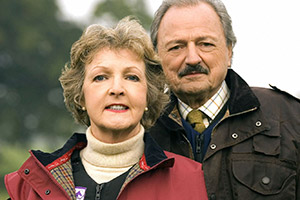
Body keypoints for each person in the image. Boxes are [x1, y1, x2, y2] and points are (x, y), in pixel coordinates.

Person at [4, 17, 208, 200]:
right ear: (80, 96)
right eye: (100, 77)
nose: (117, 89)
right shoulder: (28, 185)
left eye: (131, 77)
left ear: (149, 95)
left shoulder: (192, 181)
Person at [148, 0, 300, 199]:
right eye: (176, 47)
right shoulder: (141, 130)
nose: (192, 58)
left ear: (229, 51)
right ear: (157, 56)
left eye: (205, 44)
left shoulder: (290, 118)